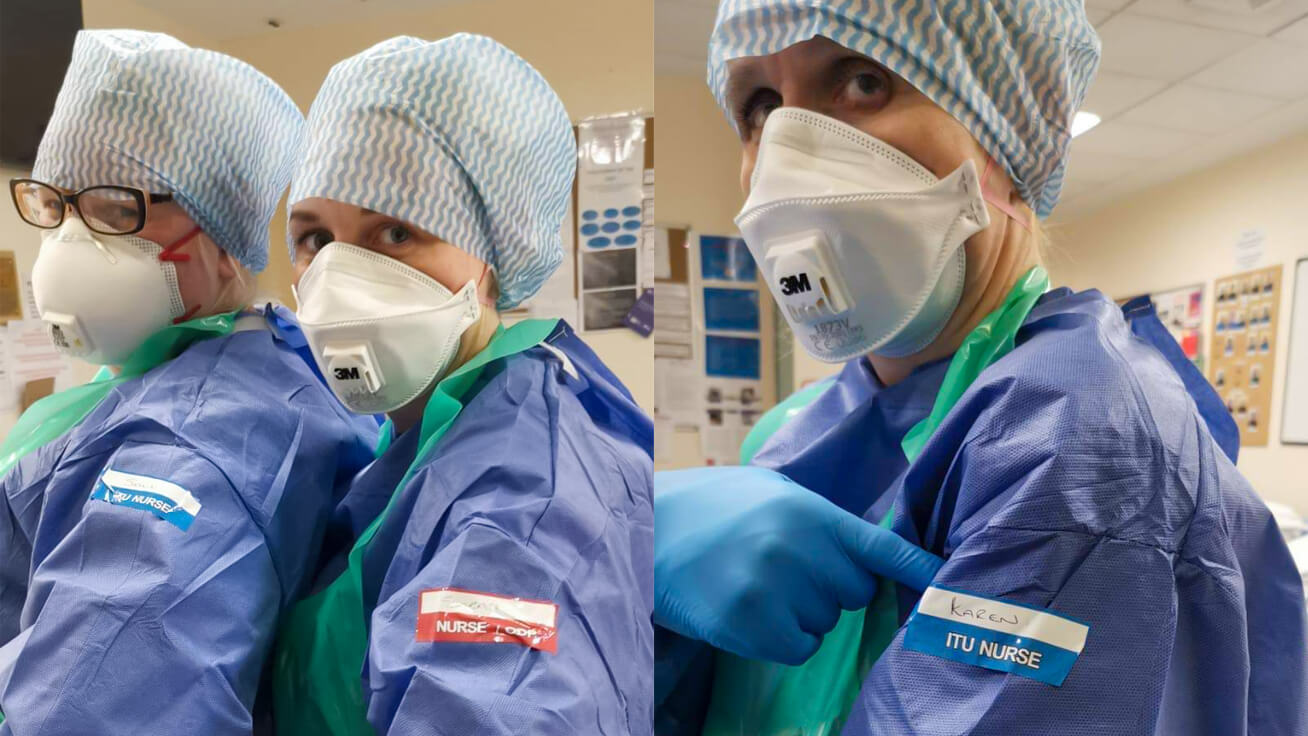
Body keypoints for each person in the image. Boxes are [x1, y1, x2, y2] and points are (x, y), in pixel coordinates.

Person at [654, 2, 1308, 734]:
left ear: (1006, 132)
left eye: (862, 81)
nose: (787, 159)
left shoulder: (1082, 440)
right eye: (762, 107)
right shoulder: (792, 428)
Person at [271, 34, 653, 735]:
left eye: (394, 234)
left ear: (495, 258)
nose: (339, 279)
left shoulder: (523, 495)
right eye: (316, 241)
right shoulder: (424, 439)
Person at [0, 30, 378, 734]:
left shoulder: (194, 448)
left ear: (223, 226)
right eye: (55, 204)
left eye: (118, 209)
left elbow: (94, 710)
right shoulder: (221, 371)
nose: (68, 243)